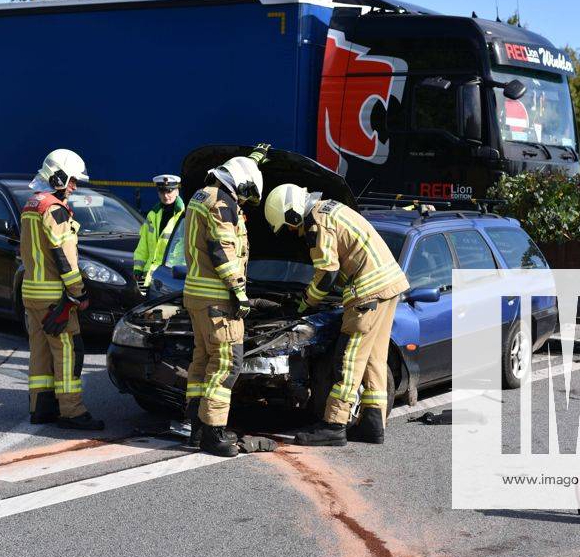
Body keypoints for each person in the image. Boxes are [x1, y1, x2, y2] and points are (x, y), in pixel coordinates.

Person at [264, 184, 409, 446]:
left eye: (289, 225)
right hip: (389, 285)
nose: (292, 233)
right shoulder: (331, 209)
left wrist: (305, 302)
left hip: (367, 293)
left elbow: (327, 274)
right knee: (373, 358)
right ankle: (373, 424)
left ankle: (334, 424)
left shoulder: (317, 223)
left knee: (348, 359)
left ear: (294, 214)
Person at [182, 144, 269, 457]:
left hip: (196, 294)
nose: (243, 202)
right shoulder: (223, 204)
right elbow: (222, 249)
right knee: (227, 364)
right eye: (245, 194)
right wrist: (239, 293)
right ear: (239, 183)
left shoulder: (201, 195)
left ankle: (195, 428)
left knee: (202, 362)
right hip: (218, 298)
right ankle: (213, 434)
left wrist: (252, 163)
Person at [20, 149, 104, 430]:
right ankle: (72, 412)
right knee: (69, 351)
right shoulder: (54, 209)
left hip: (32, 292)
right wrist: (77, 292)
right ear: (58, 177)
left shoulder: (32, 204)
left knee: (40, 351)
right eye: (72, 181)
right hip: (54, 295)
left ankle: (41, 408)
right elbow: (63, 255)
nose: (74, 187)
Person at [132, 174, 185, 291]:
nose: (166, 196)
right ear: (158, 193)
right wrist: (138, 267)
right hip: (149, 275)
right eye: (162, 192)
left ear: (177, 191)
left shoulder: (184, 215)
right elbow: (143, 244)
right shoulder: (153, 214)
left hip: (171, 276)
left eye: (169, 191)